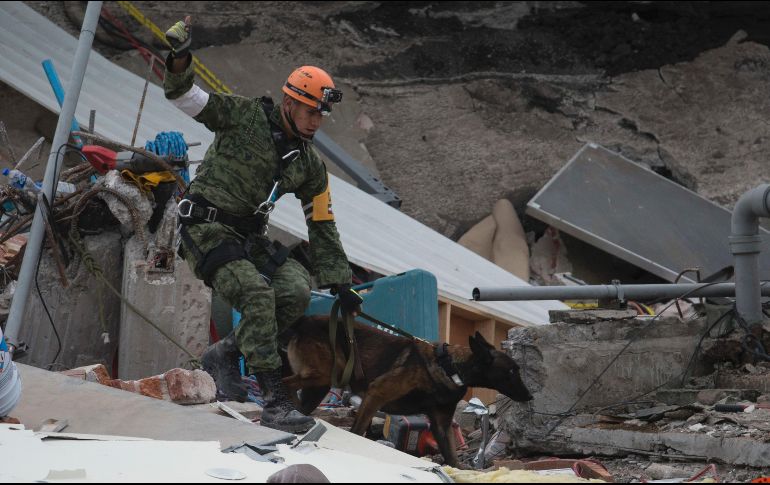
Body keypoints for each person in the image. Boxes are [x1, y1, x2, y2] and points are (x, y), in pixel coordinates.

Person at [164, 17, 362, 433]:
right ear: (289, 102)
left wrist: (340, 281)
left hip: (247, 238)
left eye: (321, 116)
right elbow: (187, 97)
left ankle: (225, 354)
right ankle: (275, 403)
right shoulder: (243, 116)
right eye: (310, 112)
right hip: (205, 229)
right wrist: (180, 57)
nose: (316, 122)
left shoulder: (309, 165)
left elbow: (321, 221)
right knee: (256, 293)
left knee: (295, 289)